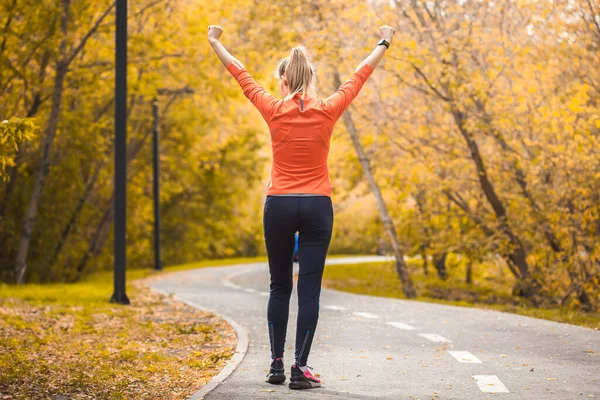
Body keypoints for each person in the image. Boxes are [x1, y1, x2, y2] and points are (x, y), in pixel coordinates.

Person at [208, 24, 395, 390]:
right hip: (316, 205)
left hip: (278, 204)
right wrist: (383, 41)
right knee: (308, 289)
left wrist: (215, 41)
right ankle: (299, 368)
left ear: (283, 80)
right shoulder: (327, 110)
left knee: (280, 287)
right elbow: (361, 74)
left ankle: (276, 365)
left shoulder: (274, 109)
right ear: (312, 79)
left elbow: (240, 73)